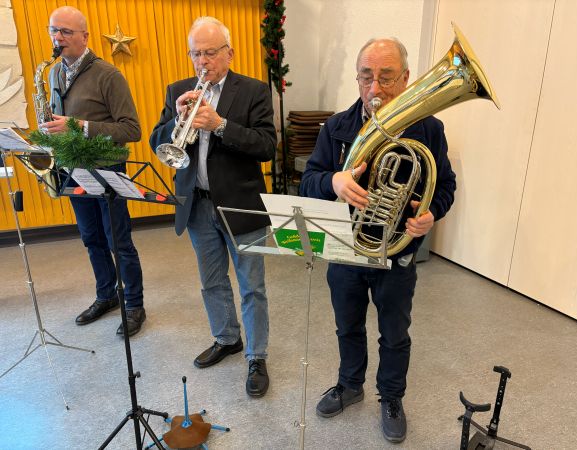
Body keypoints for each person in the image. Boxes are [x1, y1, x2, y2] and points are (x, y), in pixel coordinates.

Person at [300, 38, 456, 443]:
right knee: (347, 325)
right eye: (366, 76)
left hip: (396, 253)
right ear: (357, 79)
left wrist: (431, 213)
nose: (375, 88)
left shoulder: (429, 128)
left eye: (386, 77)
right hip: (345, 248)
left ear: (406, 79)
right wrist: (333, 181)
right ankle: (350, 384)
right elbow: (308, 181)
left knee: (395, 332)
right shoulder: (337, 127)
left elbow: (446, 186)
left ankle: (391, 396)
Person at [150, 17, 276, 397]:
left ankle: (256, 356)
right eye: (195, 54)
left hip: (241, 205)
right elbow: (158, 141)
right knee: (212, 281)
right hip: (197, 204)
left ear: (229, 53)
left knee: (252, 286)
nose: (201, 61)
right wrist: (177, 118)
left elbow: (266, 146)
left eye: (209, 52)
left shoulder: (253, 90)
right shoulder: (179, 90)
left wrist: (221, 124)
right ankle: (227, 338)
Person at [43, 6, 146, 336]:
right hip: (73, 169)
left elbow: (131, 129)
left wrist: (79, 126)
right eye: (53, 30)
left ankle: (134, 304)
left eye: (66, 31)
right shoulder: (53, 74)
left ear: (85, 37)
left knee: (119, 241)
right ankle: (106, 295)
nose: (58, 37)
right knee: (91, 238)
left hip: (107, 168)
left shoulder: (108, 75)